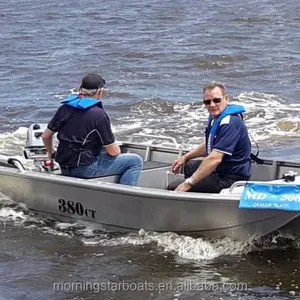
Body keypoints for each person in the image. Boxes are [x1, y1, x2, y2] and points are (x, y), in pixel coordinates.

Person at [42, 73, 143, 185]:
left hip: (64, 166)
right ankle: (125, 198)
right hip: (85, 169)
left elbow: (46, 136)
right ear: (99, 92)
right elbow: (114, 152)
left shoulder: (64, 108)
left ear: (80, 90)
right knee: (135, 161)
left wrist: (51, 154)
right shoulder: (98, 114)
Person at [168, 82, 251, 193]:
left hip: (231, 178)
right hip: (221, 169)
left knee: (173, 186)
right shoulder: (216, 118)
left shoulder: (230, 122)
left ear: (226, 98)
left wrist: (188, 183)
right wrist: (185, 157)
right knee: (189, 166)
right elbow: (209, 144)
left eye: (217, 100)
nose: (212, 105)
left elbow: (215, 159)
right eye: (207, 102)